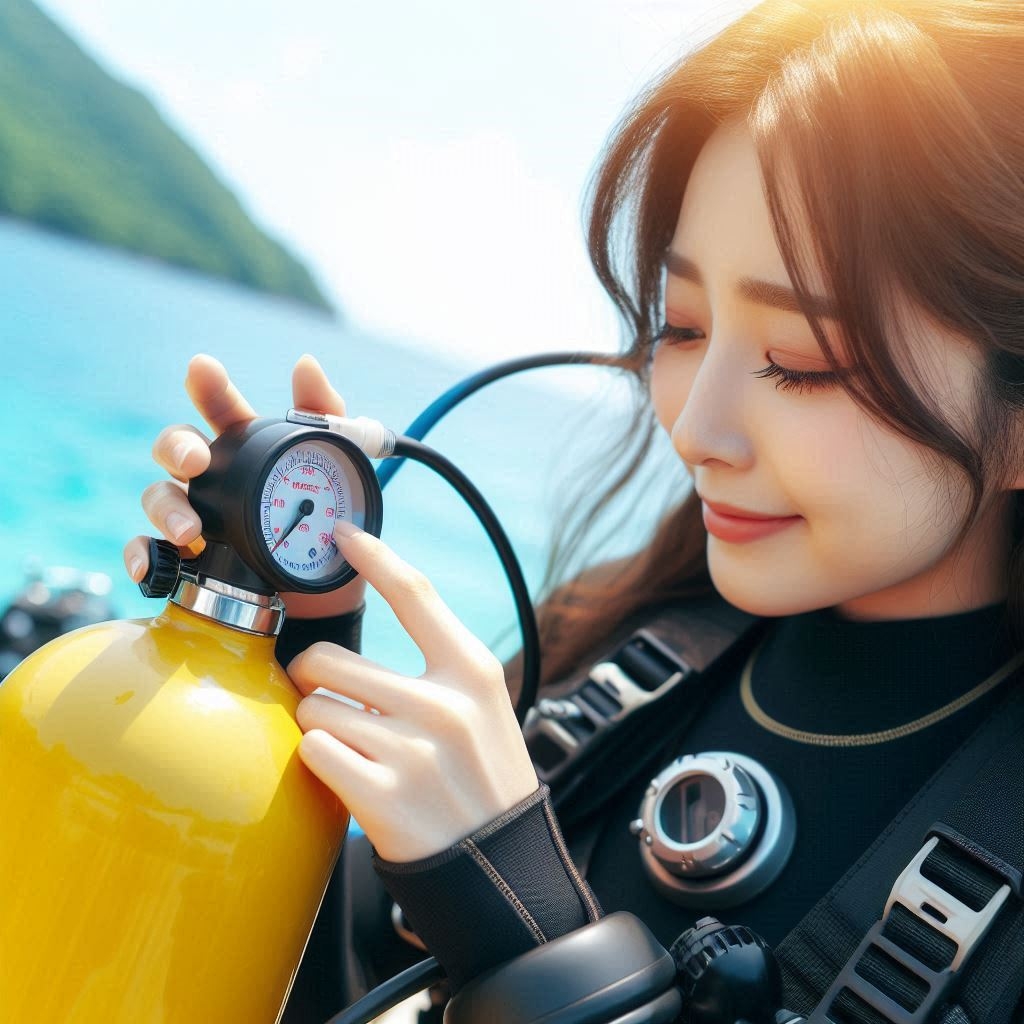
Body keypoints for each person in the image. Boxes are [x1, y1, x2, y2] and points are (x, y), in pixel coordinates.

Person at [124, 0, 1024, 1019]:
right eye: (681, 326)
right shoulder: (612, 655)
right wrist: (290, 638)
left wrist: (521, 929)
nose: (695, 427)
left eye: (801, 362)